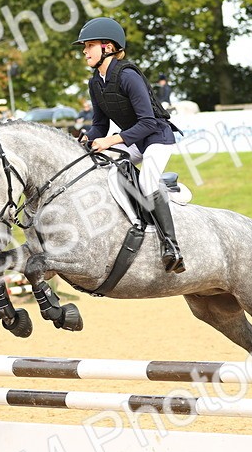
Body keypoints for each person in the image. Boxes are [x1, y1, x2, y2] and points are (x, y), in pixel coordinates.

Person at [74, 16, 184, 274]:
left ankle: (171, 246)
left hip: (156, 137)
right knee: (101, 168)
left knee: (147, 181)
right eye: (85, 47)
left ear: (108, 47)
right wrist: (85, 139)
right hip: (133, 140)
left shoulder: (128, 76)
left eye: (89, 45)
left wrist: (110, 140)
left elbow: (148, 122)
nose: (84, 51)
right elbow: (99, 125)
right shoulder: (95, 82)